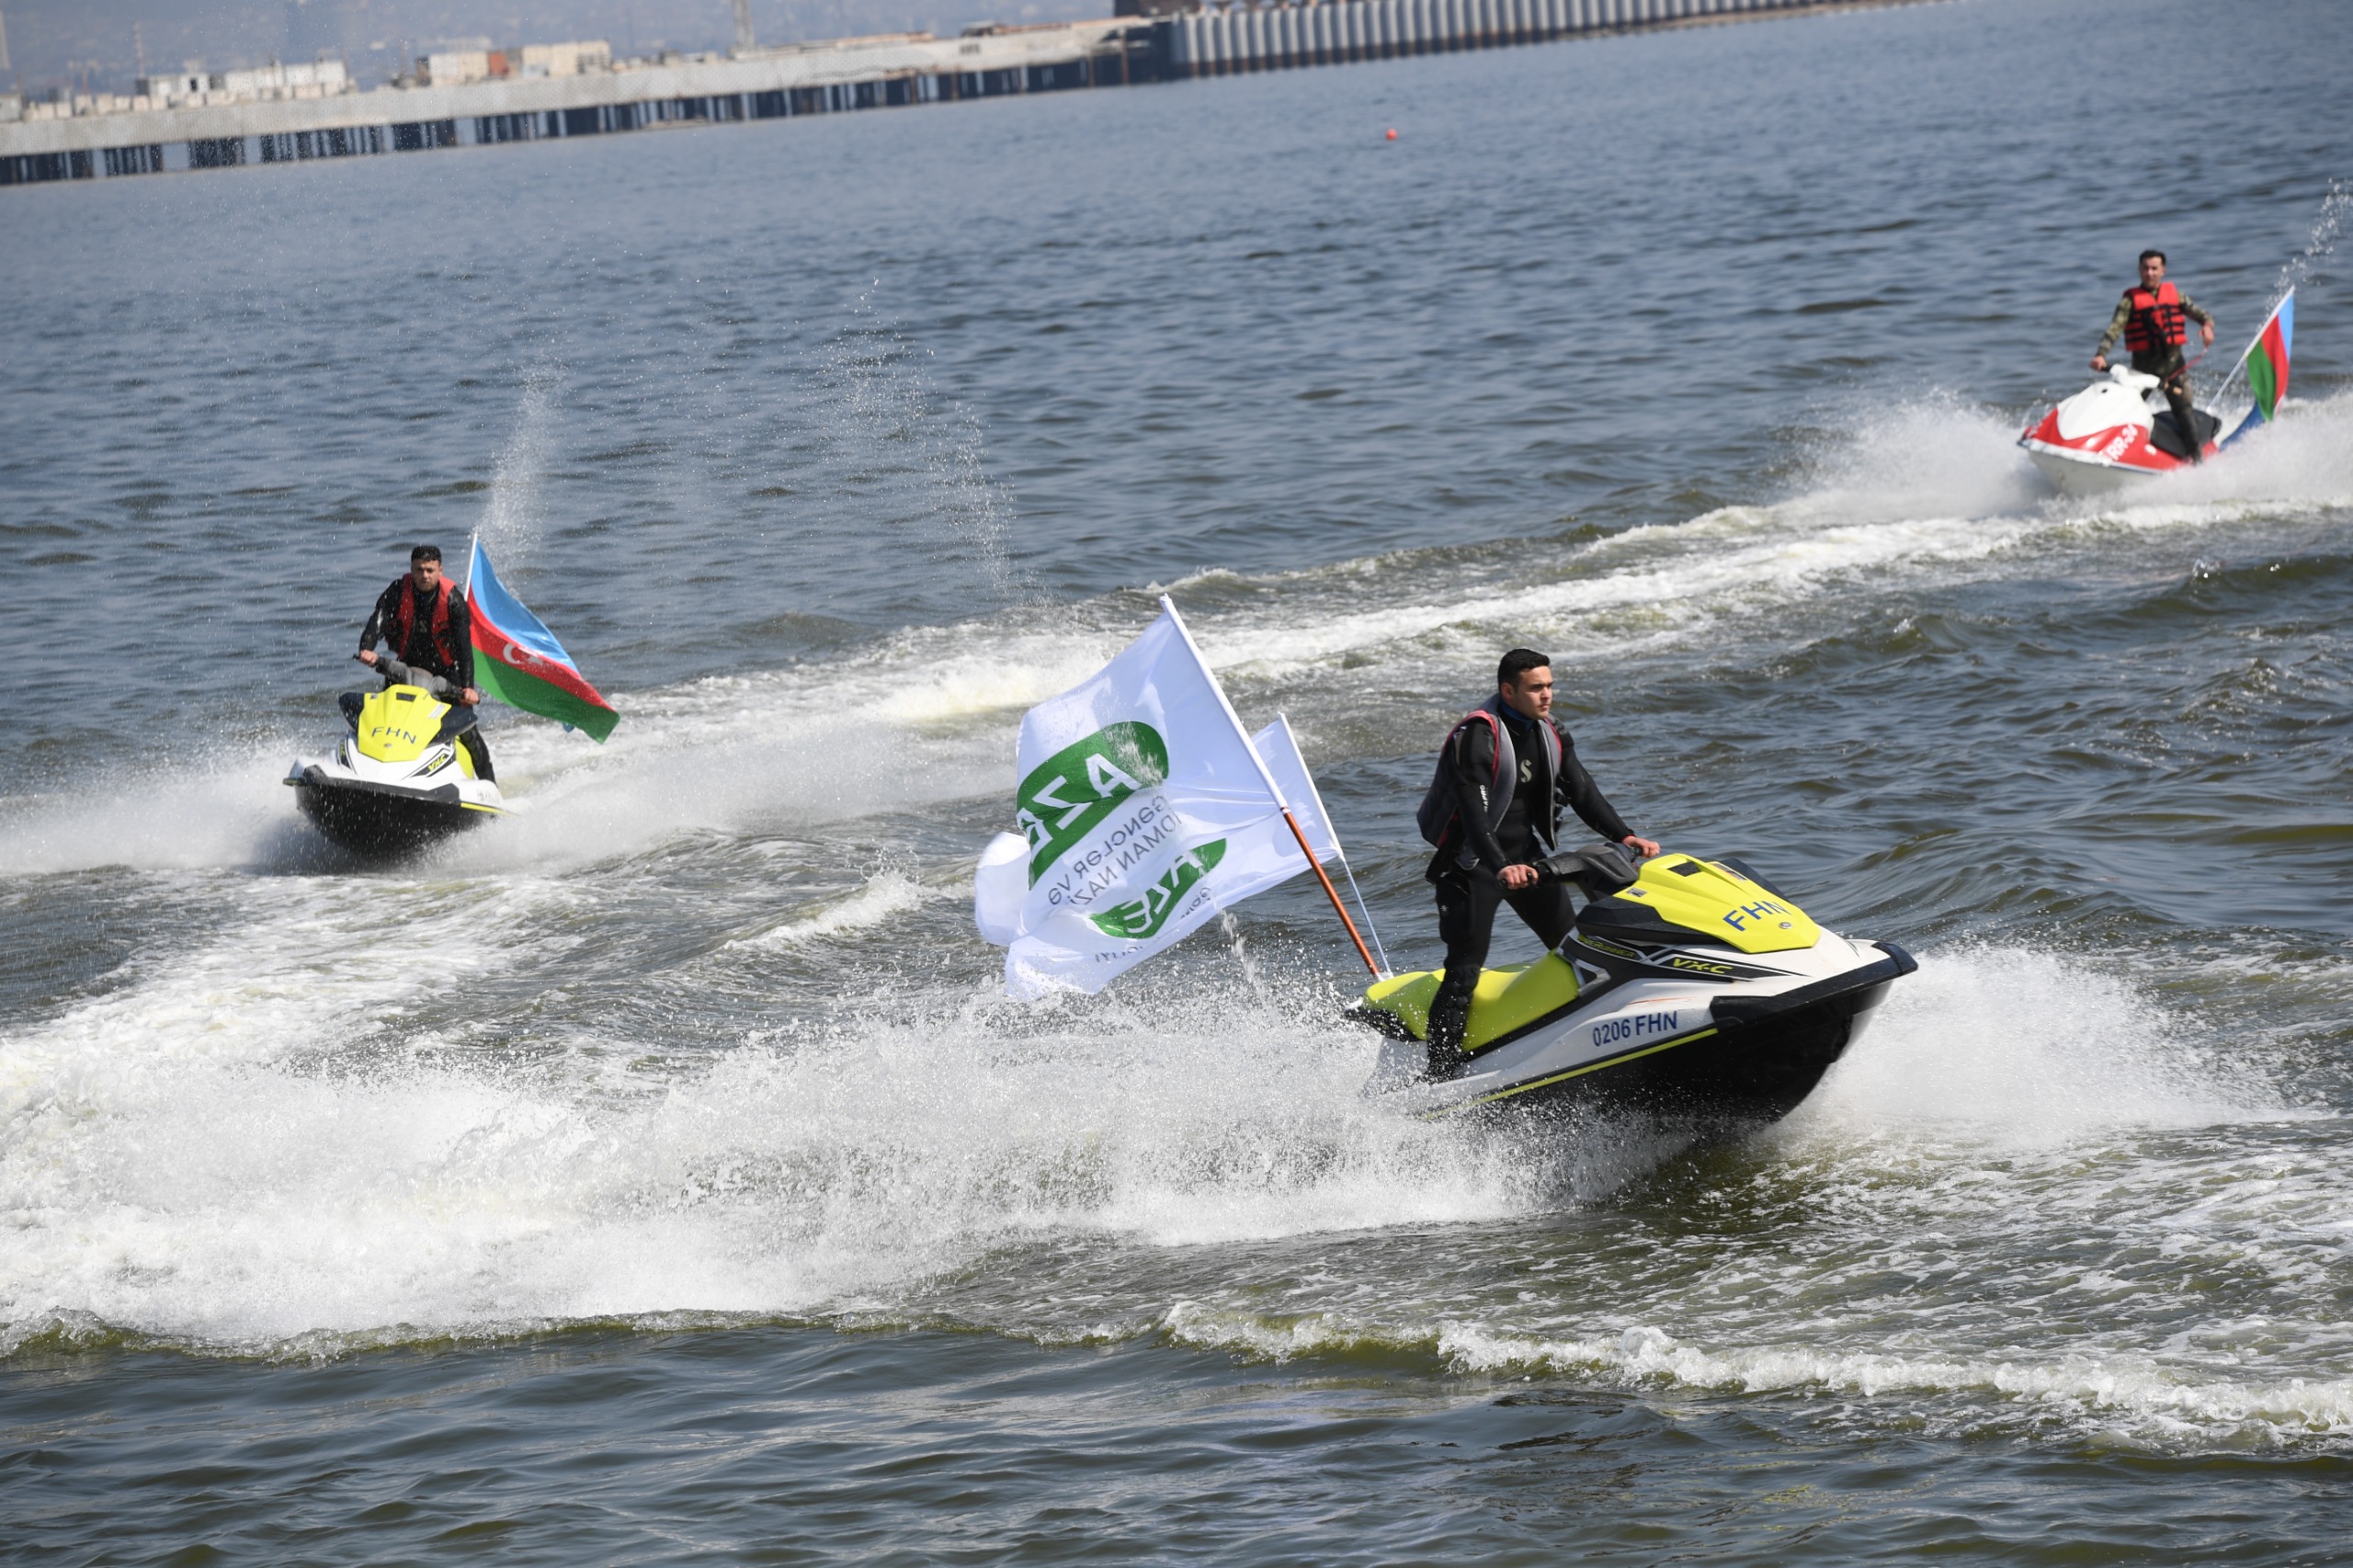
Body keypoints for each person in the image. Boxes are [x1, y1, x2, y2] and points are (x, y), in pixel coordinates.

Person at [1420, 649, 1660, 1077]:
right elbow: (1475, 818)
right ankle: (1439, 1071)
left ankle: (1591, 1038)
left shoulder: (1549, 731)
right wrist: (1499, 866)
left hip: (1525, 859)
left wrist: (1623, 835)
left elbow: (1582, 788)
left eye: (1549, 686)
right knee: (1463, 968)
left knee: (1574, 947)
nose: (1547, 695)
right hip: (1471, 865)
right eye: (1536, 688)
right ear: (1508, 690)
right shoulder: (1478, 737)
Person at [358, 543, 494, 782]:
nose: (424, 575)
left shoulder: (453, 601)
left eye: (430, 570)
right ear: (411, 569)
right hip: (405, 669)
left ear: (440, 569)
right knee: (385, 720)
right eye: (419, 570)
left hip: (447, 673)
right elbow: (377, 620)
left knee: (467, 731)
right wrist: (366, 649)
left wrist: (468, 687)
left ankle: (489, 787)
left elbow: (464, 647)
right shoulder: (398, 591)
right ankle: (375, 772)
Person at [2091, 249, 2217, 465]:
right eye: (2145, 268)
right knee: (2124, 410)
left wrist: (2207, 327)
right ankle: (2106, 452)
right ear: (2139, 270)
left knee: (2185, 414)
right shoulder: (2129, 301)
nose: (2149, 273)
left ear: (2163, 271)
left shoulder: (2175, 296)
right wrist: (2101, 355)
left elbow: (2202, 315)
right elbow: (2114, 329)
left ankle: (2197, 462)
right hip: (2142, 372)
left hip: (2174, 368)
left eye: (2154, 268)